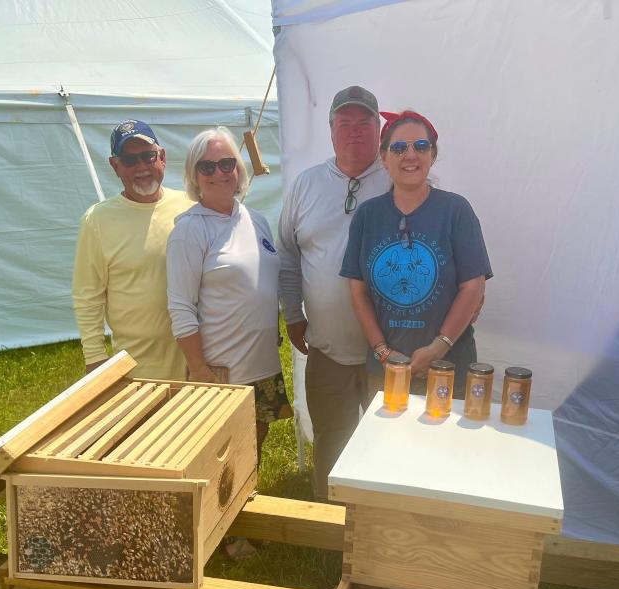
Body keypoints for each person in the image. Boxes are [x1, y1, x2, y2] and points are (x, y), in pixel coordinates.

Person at [277, 86, 391, 502]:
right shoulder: (306, 185)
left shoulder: (400, 180)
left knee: (389, 442)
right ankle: (328, 524)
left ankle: (379, 522)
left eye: (365, 122)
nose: (355, 131)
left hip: (389, 351)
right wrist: (292, 314)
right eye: (345, 123)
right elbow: (288, 256)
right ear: (330, 131)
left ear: (379, 129)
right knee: (332, 438)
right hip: (327, 348)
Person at [341, 110, 493, 398]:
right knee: (384, 443)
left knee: (445, 443)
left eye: (420, 146)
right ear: (384, 159)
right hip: (385, 372)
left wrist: (439, 347)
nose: (410, 155)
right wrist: (384, 352)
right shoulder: (367, 216)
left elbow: (473, 286)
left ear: (432, 154)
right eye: (398, 147)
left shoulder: (456, 211)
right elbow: (357, 289)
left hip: (448, 371)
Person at [167, 126, 291, 453]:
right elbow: (180, 306)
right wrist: (199, 370)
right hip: (222, 370)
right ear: (194, 176)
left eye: (226, 163)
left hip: (262, 363)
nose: (218, 173)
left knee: (255, 439)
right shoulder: (190, 230)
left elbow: (262, 281)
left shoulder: (257, 220)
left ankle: (246, 500)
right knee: (219, 454)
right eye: (206, 167)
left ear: (239, 170)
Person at [72, 119, 193, 379]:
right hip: (139, 368)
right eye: (129, 160)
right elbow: (87, 296)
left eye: (148, 156)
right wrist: (94, 359)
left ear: (162, 157)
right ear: (115, 166)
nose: (141, 167)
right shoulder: (97, 221)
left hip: (200, 358)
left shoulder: (191, 206)